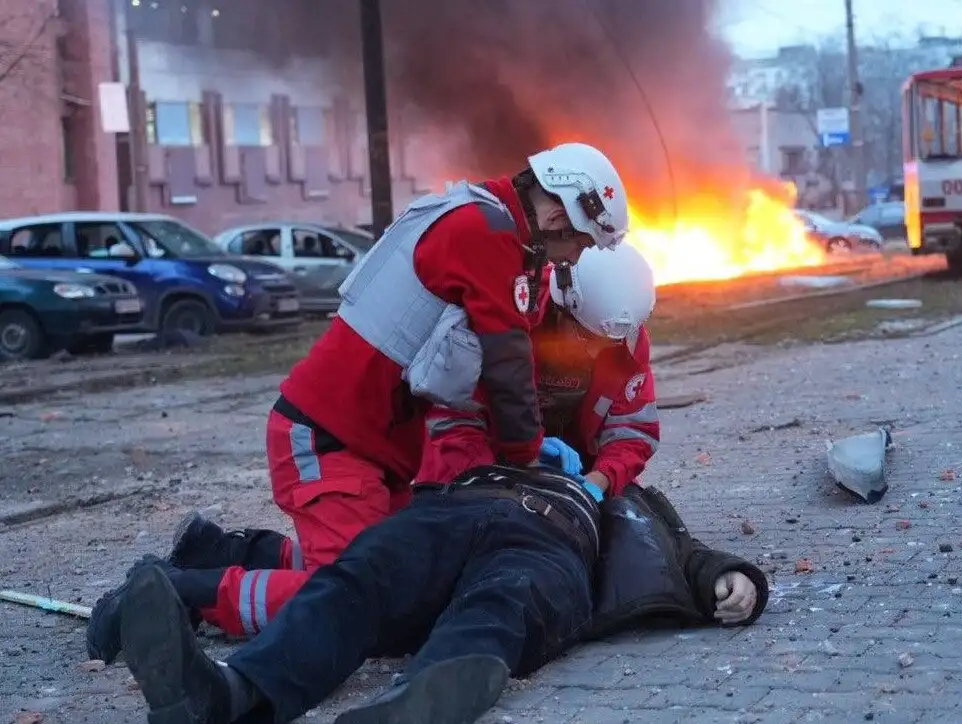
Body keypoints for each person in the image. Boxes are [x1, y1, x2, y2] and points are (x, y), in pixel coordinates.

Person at [84, 142, 631, 665]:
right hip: (330, 439)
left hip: (372, 449)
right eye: (581, 245)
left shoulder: (487, 227)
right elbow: (507, 366)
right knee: (355, 597)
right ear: (563, 218)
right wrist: (527, 459)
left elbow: (486, 374)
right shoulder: (484, 234)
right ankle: (173, 596)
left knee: (405, 574)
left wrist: (514, 453)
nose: (574, 259)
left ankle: (225, 554)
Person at [116, 464, 769, 724]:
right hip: (447, 517)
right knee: (353, 582)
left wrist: (727, 576)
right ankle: (229, 696)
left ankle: (414, 705)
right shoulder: (487, 432)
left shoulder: (619, 483)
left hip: (550, 546)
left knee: (503, 602)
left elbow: (677, 545)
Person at [420, 241, 659, 498]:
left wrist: (599, 481)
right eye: (587, 337)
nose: (595, 352)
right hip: (478, 467)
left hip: (574, 475)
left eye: (608, 344)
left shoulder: (620, 336)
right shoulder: (501, 319)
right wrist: (509, 465)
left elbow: (633, 432)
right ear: (561, 309)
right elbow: (453, 422)